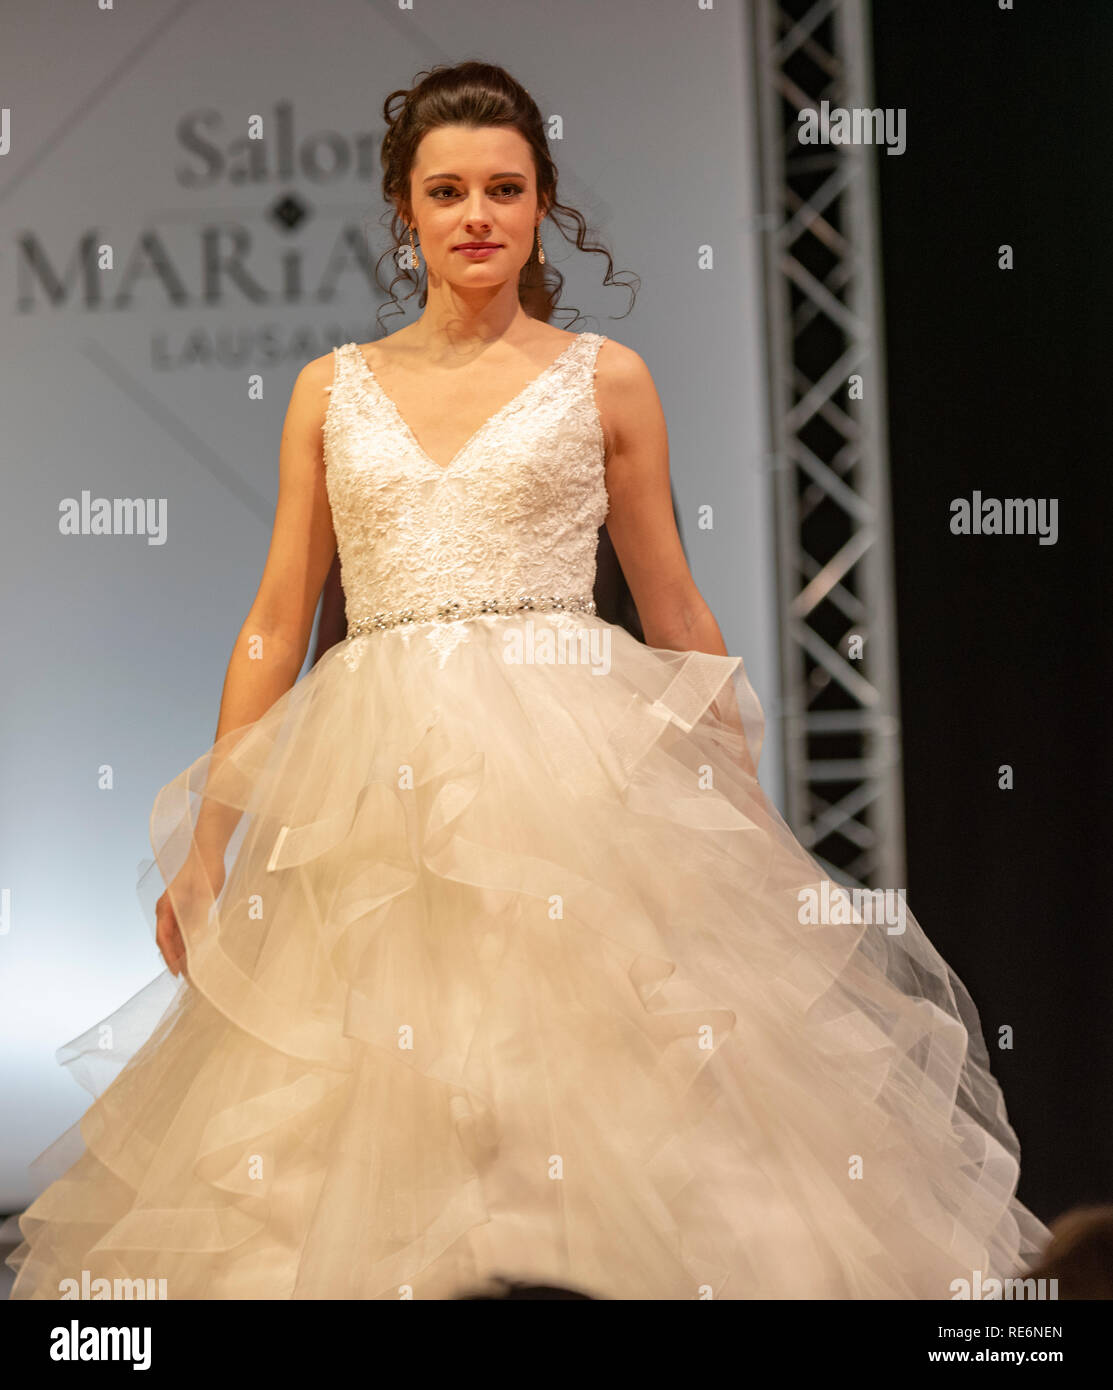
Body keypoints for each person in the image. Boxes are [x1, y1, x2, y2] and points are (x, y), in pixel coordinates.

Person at [7, 60, 1049, 1301]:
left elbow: (673, 607)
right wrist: (208, 841)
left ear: (545, 200)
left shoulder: (606, 378)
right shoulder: (331, 391)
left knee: (614, 1090)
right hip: (372, 776)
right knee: (356, 1104)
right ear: (405, 212)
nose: (477, 215)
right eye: (446, 191)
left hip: (576, 757)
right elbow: (278, 618)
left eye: (505, 187)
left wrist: (741, 826)